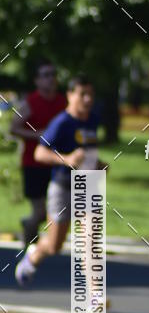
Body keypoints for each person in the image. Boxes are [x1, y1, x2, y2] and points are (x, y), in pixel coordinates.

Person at [15, 76, 101, 286]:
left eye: (90, 94)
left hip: (87, 187)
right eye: (82, 94)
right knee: (54, 245)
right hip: (62, 187)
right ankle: (32, 257)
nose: (88, 99)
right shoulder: (62, 122)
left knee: (89, 242)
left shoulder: (92, 119)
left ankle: (95, 297)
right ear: (70, 96)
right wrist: (67, 159)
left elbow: (87, 153)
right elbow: (39, 153)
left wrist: (99, 165)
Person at [10, 60, 67, 246]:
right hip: (33, 163)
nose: (51, 79)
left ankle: (32, 239)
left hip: (56, 164)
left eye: (53, 74)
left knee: (57, 208)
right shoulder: (30, 103)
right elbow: (13, 128)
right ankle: (28, 243)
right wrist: (37, 135)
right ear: (37, 81)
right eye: (46, 75)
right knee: (41, 211)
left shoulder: (62, 101)